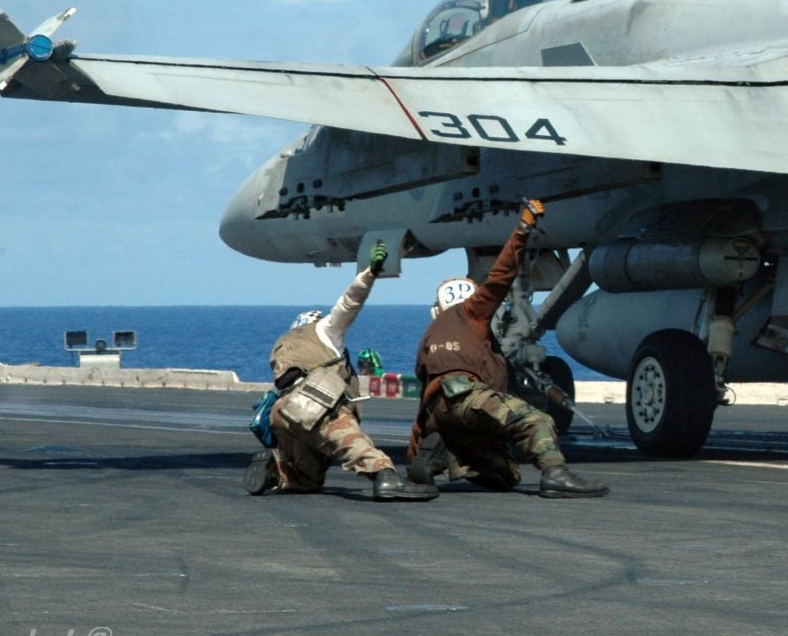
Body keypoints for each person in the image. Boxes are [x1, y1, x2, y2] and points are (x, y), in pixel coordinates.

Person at [407, 200, 608, 498]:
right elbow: (501, 276)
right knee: (537, 420)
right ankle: (555, 474)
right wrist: (523, 229)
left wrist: (413, 457)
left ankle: (432, 458)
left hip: (440, 416)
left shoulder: (429, 336)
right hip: (469, 399)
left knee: (505, 475)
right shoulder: (472, 311)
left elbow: (424, 398)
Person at [244, 241, 437, 501]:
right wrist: (371, 272)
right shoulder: (324, 330)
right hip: (313, 402)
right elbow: (349, 303)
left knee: (307, 478)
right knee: (351, 440)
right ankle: (385, 477)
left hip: (282, 414)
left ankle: (276, 472)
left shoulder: (282, 343)